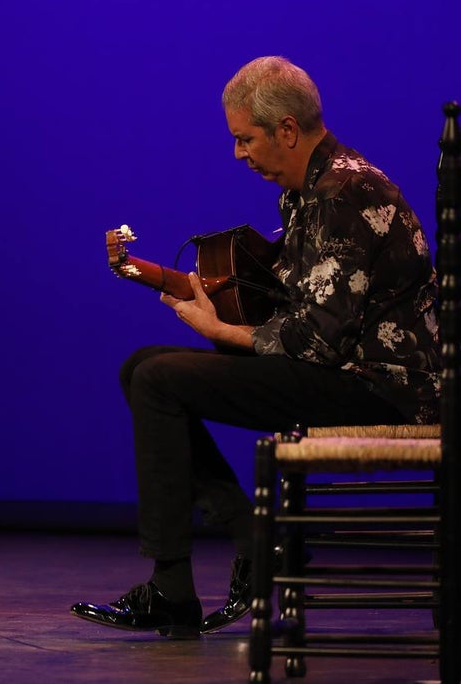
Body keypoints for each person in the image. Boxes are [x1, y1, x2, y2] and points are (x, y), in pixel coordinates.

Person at [69, 56, 441, 639]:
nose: (240, 155)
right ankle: (249, 540)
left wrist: (219, 332)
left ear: (286, 130)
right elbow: (294, 313)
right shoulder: (309, 190)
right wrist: (198, 298)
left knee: (158, 379)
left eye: (245, 140)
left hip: (378, 388)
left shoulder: (343, 192)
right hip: (338, 371)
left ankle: (179, 585)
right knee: (141, 366)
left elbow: (317, 340)